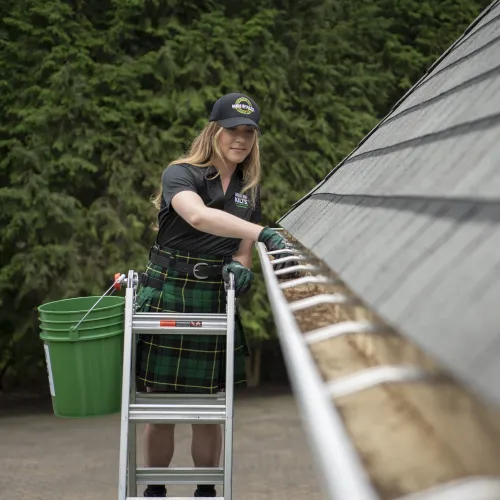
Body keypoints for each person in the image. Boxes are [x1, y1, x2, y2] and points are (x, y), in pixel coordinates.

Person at [135, 92, 297, 498]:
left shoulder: (248, 189)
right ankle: (155, 490)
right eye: (232, 131)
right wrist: (263, 233)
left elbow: (241, 247)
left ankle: (206, 491)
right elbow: (197, 215)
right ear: (214, 132)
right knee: (161, 404)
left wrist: (242, 268)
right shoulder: (182, 173)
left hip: (212, 295)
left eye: (248, 133)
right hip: (168, 290)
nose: (240, 140)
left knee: (210, 408)